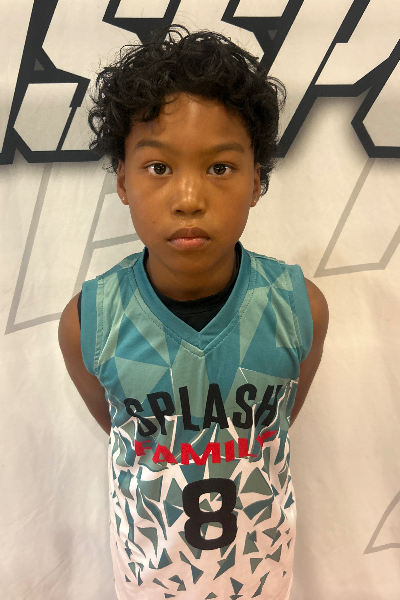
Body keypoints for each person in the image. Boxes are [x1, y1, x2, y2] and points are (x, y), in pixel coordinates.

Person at [58, 25, 328, 600]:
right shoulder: (89, 322)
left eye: (220, 168)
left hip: (261, 575)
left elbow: (278, 424)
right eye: (159, 167)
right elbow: (121, 427)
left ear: (257, 181)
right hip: (146, 577)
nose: (188, 198)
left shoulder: (300, 307)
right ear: (123, 180)